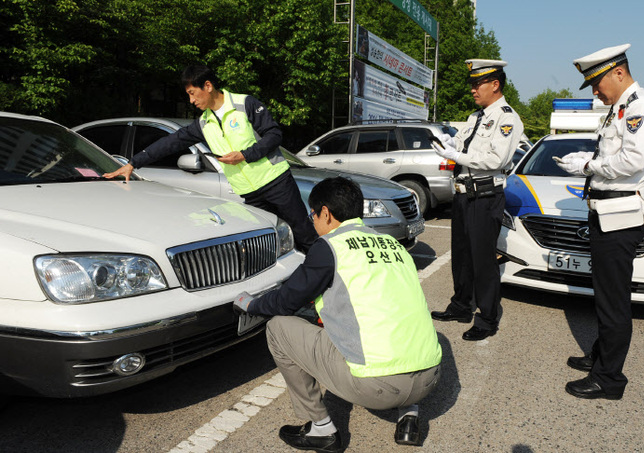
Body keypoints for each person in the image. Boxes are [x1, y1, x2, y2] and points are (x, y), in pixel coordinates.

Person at [233, 177, 442, 451]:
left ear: (326, 213)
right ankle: (409, 414)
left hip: (379, 388)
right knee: (396, 321)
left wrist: (250, 304)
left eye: (312, 215)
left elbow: (285, 302)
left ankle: (320, 429)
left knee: (278, 328)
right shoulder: (394, 245)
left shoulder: (330, 247)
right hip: (429, 380)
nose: (312, 221)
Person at [103, 65, 317, 253]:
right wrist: (133, 163)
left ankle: (327, 282)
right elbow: (171, 142)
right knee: (272, 243)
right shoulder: (203, 123)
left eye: (192, 93)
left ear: (207, 86)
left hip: (276, 181)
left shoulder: (245, 104)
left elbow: (274, 135)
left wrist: (245, 155)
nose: (191, 100)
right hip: (250, 194)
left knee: (302, 232)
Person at [556, 44, 644, 400]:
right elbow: (614, 156)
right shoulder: (620, 109)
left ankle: (609, 380)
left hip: (620, 217)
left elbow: (632, 160)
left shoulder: (642, 107)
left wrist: (586, 166)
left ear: (619, 72)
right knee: (604, 296)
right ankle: (602, 358)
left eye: (597, 83)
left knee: (613, 301)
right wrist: (589, 160)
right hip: (607, 213)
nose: (595, 91)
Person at [429, 59, 524, 341]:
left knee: (483, 261)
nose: (472, 89)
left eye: (477, 84)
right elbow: (461, 144)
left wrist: (456, 156)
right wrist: (449, 145)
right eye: (471, 84)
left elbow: (496, 159)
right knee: (461, 257)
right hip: (462, 195)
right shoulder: (475, 117)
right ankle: (460, 305)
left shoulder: (507, 118)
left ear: (495, 85)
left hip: (484, 196)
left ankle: (487, 317)